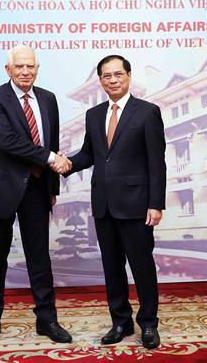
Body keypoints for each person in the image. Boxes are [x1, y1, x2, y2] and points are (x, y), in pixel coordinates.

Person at [0, 45, 72, 347]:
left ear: (37, 68)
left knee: (40, 258)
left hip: (37, 191)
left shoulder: (49, 99)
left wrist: (52, 189)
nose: (26, 72)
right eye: (20, 67)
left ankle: (47, 319)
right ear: (8, 70)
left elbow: (50, 139)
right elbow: (7, 141)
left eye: (31, 67)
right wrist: (53, 158)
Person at [66, 55, 166, 349]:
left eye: (117, 74)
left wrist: (156, 203)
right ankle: (120, 322)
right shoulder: (94, 115)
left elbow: (156, 163)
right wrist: (65, 163)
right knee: (112, 268)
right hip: (103, 205)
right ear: (100, 81)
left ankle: (148, 324)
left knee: (142, 267)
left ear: (129, 76)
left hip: (137, 205)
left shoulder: (147, 112)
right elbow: (89, 154)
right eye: (106, 76)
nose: (112, 80)